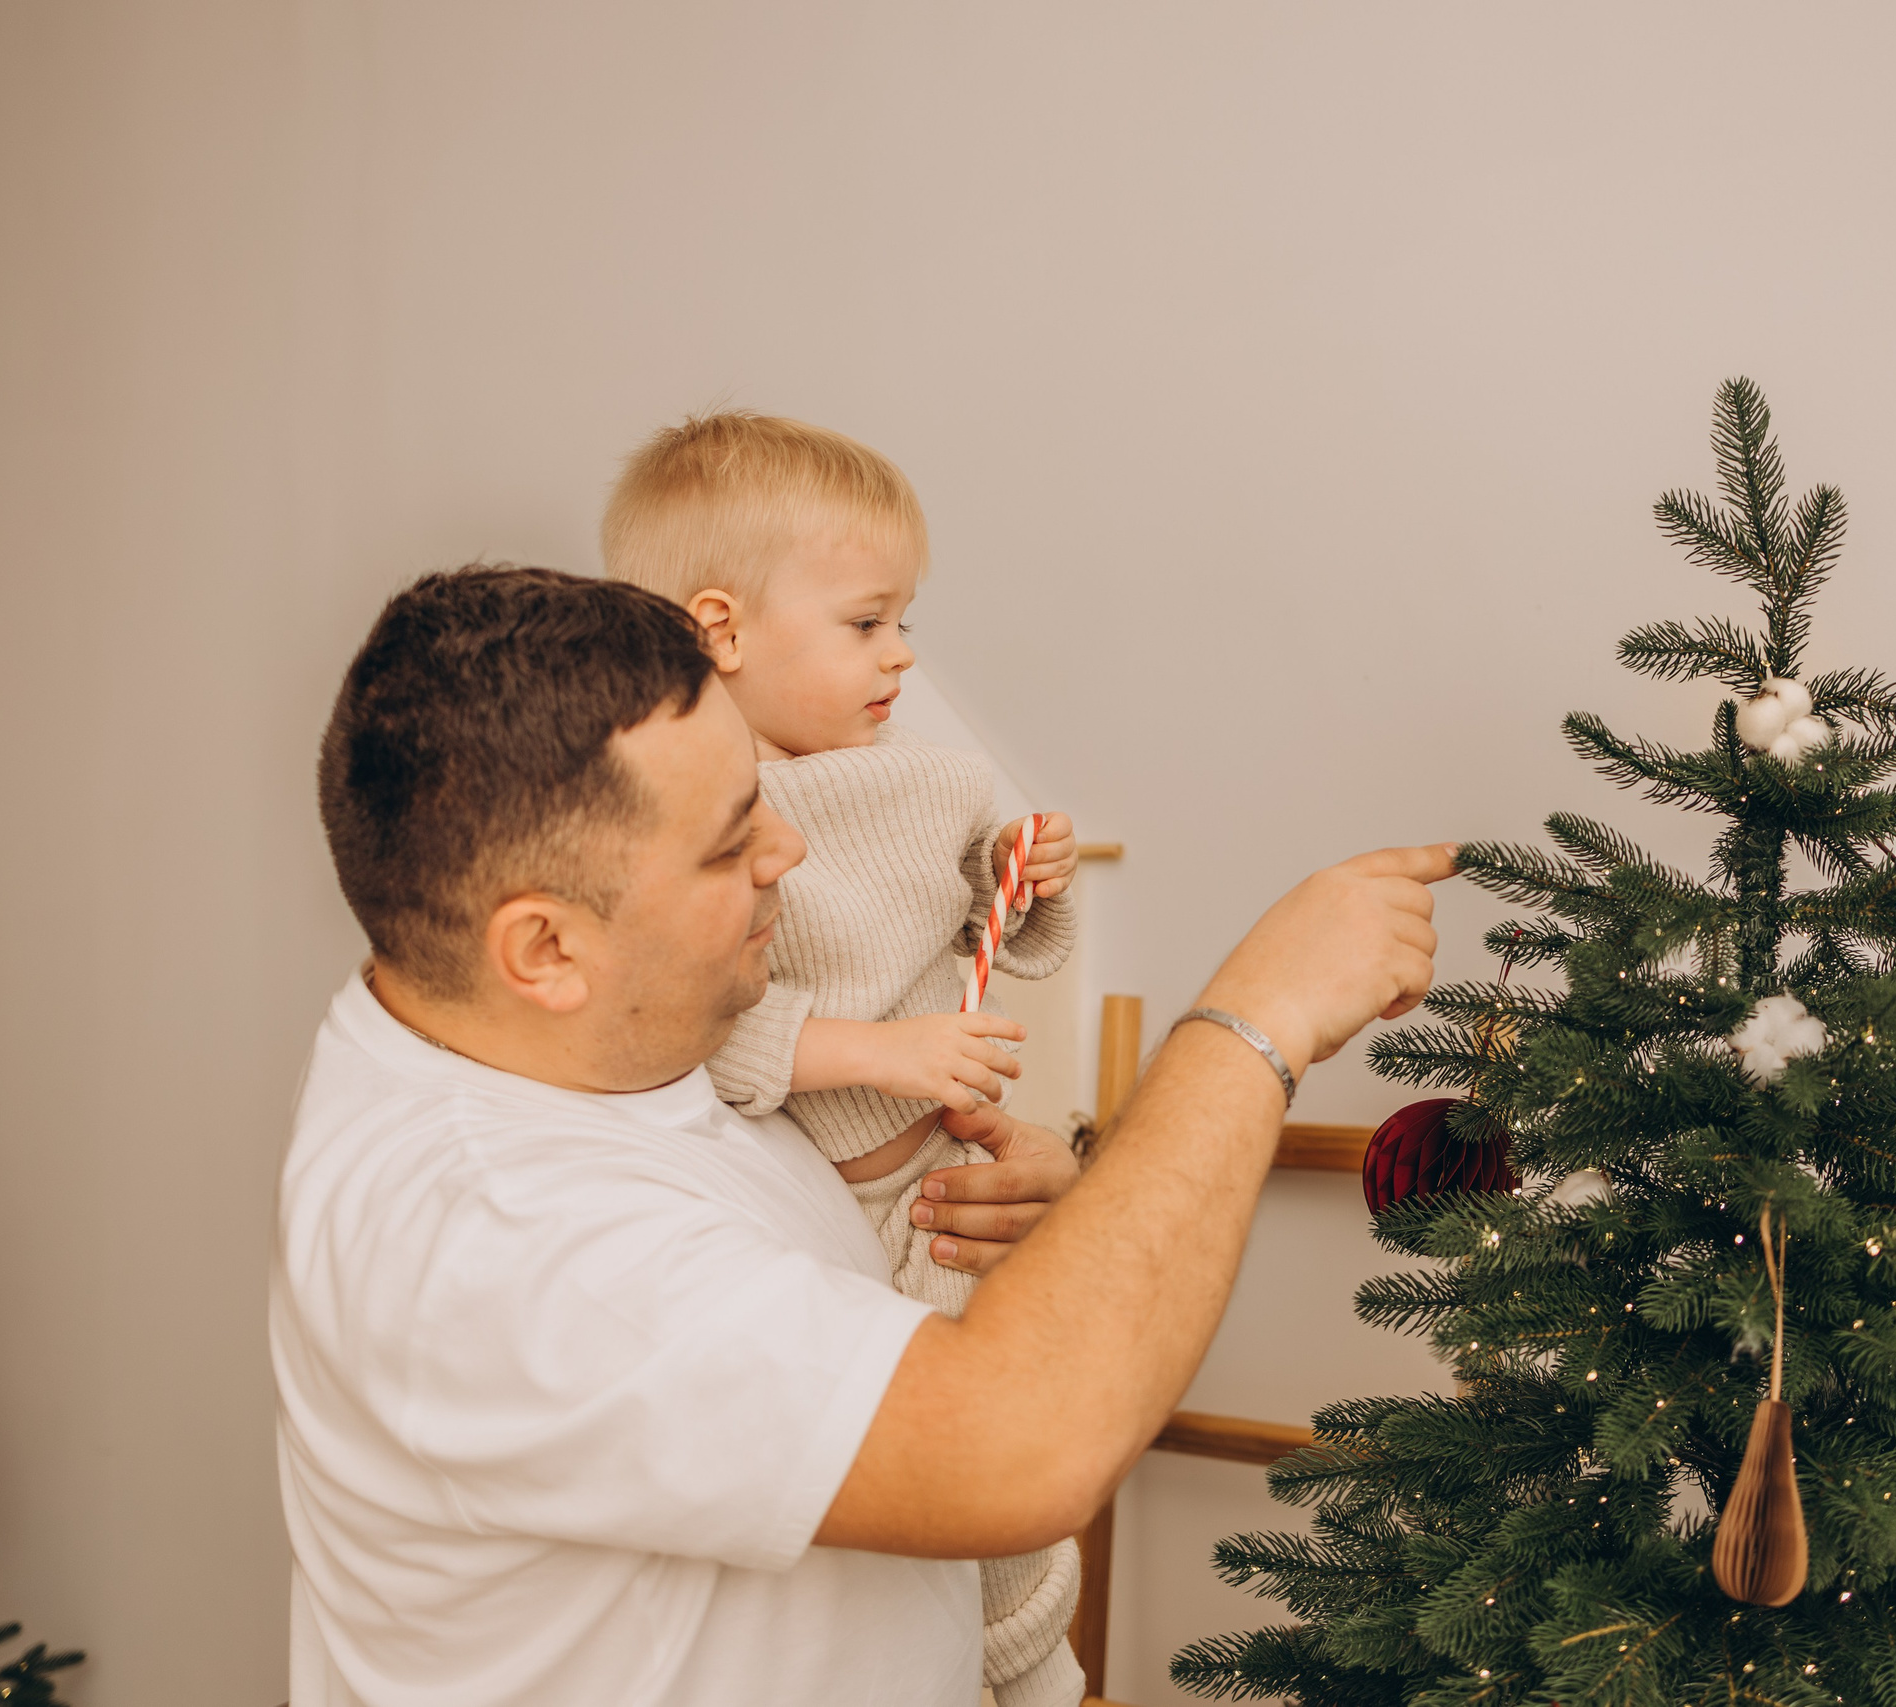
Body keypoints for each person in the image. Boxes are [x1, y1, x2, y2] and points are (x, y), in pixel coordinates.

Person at [277, 564, 1450, 1706]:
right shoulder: (503, 1236)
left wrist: (1065, 1221)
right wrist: (1255, 1021)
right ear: (545, 950)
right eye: (732, 842)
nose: (786, 853)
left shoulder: (598, 1046)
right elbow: (1017, 1445)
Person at [599, 409, 1089, 1704]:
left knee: (1008, 1492)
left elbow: (1009, 931)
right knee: (887, 1508)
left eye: (903, 620)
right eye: (866, 623)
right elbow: (694, 1030)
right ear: (721, 629)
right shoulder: (685, 820)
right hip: (814, 1211)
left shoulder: (930, 778)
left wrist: (1022, 877)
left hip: (938, 1186)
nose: (903, 653)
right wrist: (882, 1047)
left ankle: (1041, 1674)